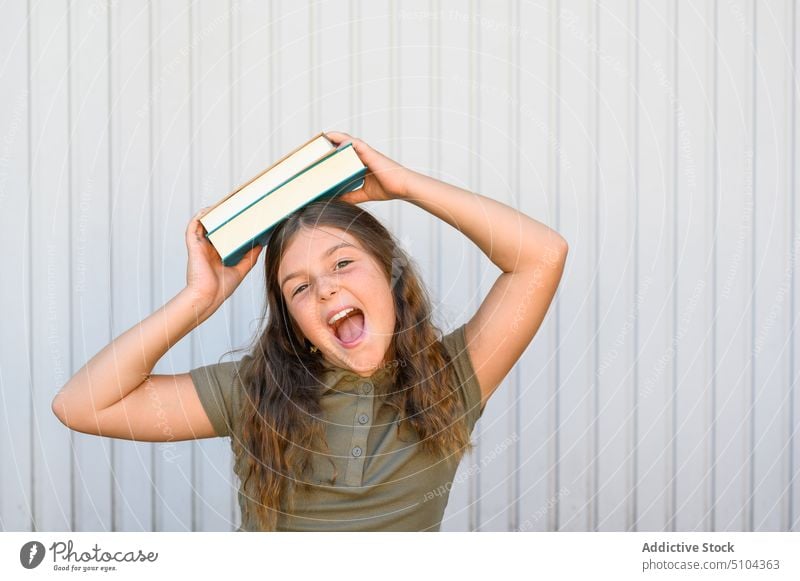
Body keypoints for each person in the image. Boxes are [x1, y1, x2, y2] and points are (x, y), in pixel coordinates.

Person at [52, 131, 568, 531]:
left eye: (343, 263)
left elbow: (542, 256)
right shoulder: (254, 391)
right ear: (296, 327)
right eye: (298, 288)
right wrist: (197, 301)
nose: (323, 290)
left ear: (391, 277)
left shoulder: (452, 379)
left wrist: (405, 185)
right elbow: (82, 405)